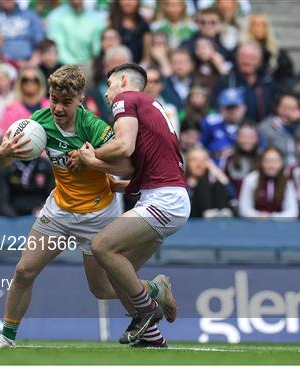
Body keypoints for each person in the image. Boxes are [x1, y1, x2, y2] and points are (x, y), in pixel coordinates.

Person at [0, 65, 177, 348]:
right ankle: (5, 339)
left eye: (65, 102)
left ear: (80, 100)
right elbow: (3, 162)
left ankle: (158, 288)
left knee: (102, 289)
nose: (58, 108)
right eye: (53, 100)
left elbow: (127, 165)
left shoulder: (94, 127)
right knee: (24, 271)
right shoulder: (38, 122)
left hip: (98, 214)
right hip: (59, 211)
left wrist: (90, 160)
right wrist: (3, 154)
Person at [77, 63, 191, 347]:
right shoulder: (152, 106)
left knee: (102, 246)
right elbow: (145, 164)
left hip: (163, 202)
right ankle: (152, 318)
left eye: (109, 85)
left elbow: (124, 146)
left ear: (123, 81)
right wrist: (121, 182)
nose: (106, 94)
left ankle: (147, 309)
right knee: (107, 282)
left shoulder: (126, 99)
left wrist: (90, 157)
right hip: (166, 198)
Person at [211, 42, 277, 122]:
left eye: (252, 57)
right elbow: (215, 109)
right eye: (243, 56)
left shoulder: (268, 83)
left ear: (260, 61)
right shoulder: (224, 81)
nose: (247, 61)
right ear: (237, 58)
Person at [239, 147, 298, 218]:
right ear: (262, 163)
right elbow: (244, 209)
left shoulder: (287, 182)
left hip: (279, 224)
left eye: (275, 161)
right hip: (255, 222)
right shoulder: (251, 179)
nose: (271, 165)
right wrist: (257, 215)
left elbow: (293, 211)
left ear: (281, 163)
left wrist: (272, 217)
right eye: (267, 161)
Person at [258, 92, 300, 164]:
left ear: (299, 110)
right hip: (276, 169)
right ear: (277, 108)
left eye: (292, 108)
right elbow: (261, 151)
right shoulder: (266, 126)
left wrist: (297, 124)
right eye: (284, 107)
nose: (287, 112)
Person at [241, 13, 293, 84]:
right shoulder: (241, 51)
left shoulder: (278, 53)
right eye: (254, 25)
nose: (258, 28)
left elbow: (287, 75)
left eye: (262, 25)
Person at [185, 146, 234, 218]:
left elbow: (232, 194)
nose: (199, 164)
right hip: (193, 216)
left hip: (216, 218)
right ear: (188, 163)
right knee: (202, 182)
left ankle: (222, 212)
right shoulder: (182, 183)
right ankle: (207, 211)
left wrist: (214, 170)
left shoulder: (213, 185)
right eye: (194, 160)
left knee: (218, 184)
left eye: (203, 160)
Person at [200, 88, 247, 163]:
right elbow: (200, 148)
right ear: (221, 108)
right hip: (213, 170)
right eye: (229, 108)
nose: (232, 111)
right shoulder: (210, 124)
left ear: (243, 108)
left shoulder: (250, 129)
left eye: (235, 107)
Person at [0, 66, 50, 133]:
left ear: (40, 82)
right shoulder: (11, 109)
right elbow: (6, 134)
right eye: (25, 80)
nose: (30, 83)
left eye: (35, 80)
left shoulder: (50, 106)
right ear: (20, 83)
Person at [219, 123, 260, 195]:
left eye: (251, 137)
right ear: (237, 137)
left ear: (257, 138)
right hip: (233, 201)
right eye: (243, 136)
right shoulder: (228, 156)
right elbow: (222, 180)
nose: (247, 140)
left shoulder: (263, 157)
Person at [144, 66, 179, 133]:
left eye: (155, 81)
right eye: (146, 81)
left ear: (162, 85)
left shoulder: (169, 109)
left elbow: (172, 137)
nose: (150, 85)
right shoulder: (132, 107)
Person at [160, 48, 195, 113]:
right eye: (175, 62)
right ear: (170, 65)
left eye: (184, 62)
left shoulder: (199, 83)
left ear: (192, 65)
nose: (180, 66)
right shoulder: (163, 84)